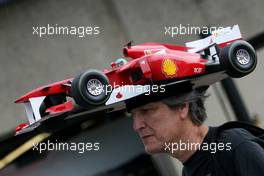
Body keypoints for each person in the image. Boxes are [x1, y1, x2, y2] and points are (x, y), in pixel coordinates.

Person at [127, 88, 264, 176]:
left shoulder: (233, 146)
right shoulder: (188, 171)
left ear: (182, 107)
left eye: (146, 111)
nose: (137, 125)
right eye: (133, 115)